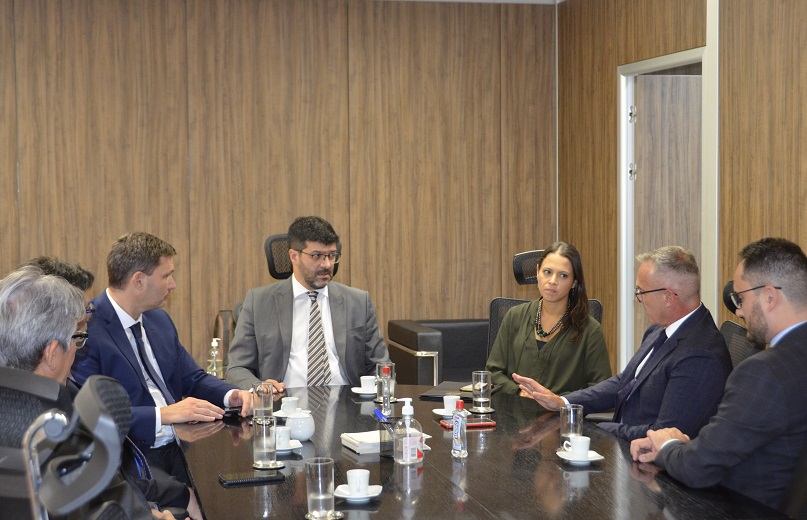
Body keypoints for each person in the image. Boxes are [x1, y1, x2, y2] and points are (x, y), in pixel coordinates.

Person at [630, 238, 807, 510]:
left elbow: (698, 469)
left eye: (741, 298)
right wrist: (687, 448)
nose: (738, 310)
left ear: (770, 297)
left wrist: (667, 448)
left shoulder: (764, 372)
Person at [72, 232, 253, 486]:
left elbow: (192, 377)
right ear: (138, 280)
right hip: (134, 457)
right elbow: (94, 415)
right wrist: (163, 415)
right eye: (166, 275)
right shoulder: (87, 329)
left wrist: (232, 394)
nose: (173, 285)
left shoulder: (159, 320)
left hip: (183, 444)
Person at [27, 256, 201, 519]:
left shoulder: (63, 394)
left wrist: (170, 500)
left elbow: (112, 482)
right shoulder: (50, 419)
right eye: (80, 332)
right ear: (53, 352)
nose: (89, 322)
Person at [515, 245, 732, 441]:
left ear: (668, 297)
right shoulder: (659, 330)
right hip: (627, 446)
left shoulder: (700, 355)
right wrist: (563, 402)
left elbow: (664, 435)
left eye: (641, 292)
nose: (639, 299)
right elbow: (625, 381)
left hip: (655, 471)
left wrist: (597, 430)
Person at [226, 216, 389, 391]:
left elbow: (380, 365)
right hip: (282, 404)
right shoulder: (258, 302)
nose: (326, 264)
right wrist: (260, 388)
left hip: (348, 404)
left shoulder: (358, 302)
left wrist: (373, 397)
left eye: (331, 255)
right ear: (294, 256)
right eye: (317, 256)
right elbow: (236, 368)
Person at [485, 242, 611, 396]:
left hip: (561, 416)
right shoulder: (514, 316)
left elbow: (602, 391)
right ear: (537, 272)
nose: (552, 281)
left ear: (574, 282)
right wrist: (518, 392)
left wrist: (558, 401)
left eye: (563, 275)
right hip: (513, 414)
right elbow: (493, 373)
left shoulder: (590, 330)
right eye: (547, 272)